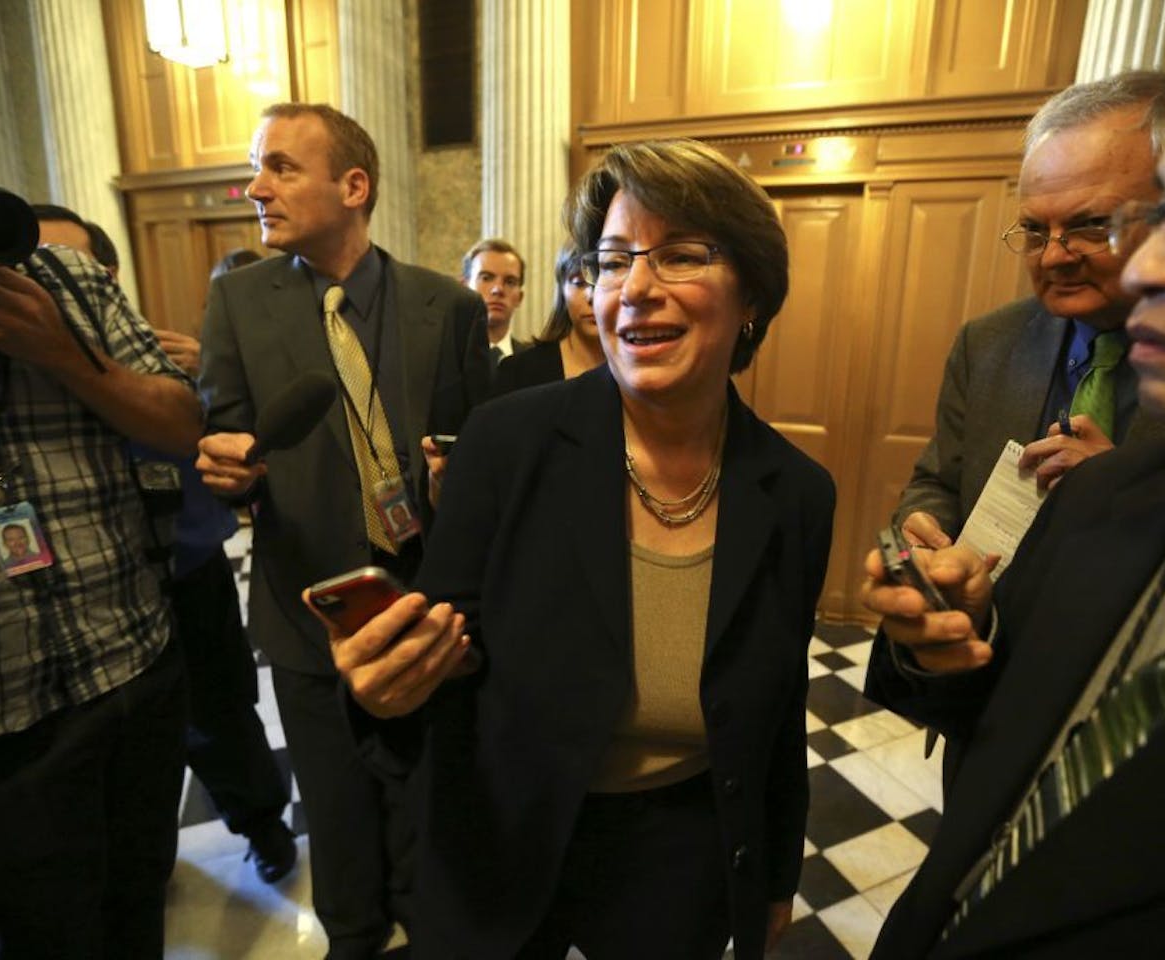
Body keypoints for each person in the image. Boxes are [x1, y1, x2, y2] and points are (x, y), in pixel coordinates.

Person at [862, 1, 1165, 953]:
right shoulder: (996, 350)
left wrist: (1134, 481)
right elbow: (935, 488)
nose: (1145, 263)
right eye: (1034, 228)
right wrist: (946, 599)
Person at [324, 138, 836, 959]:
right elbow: (449, 660)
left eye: (679, 256)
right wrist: (391, 691)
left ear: (752, 297)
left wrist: (774, 875)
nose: (634, 289)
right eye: (613, 260)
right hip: (506, 835)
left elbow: (772, 714)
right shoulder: (508, 440)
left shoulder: (798, 494)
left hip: (679, 849)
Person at [0, 79, 200, 956]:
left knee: (138, 907)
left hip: (134, 658)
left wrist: (65, 356)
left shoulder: (57, 273)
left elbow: (181, 422)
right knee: (45, 936)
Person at [195, 102, 490, 956]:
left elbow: (477, 463)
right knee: (341, 825)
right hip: (308, 619)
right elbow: (222, 445)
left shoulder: (447, 307)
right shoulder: (238, 302)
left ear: (353, 186)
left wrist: (458, 483)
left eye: (281, 167)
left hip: (429, 610)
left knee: (432, 815)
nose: (256, 188)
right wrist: (226, 470)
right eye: (257, 168)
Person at [31, 213, 299, 884]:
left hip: (183, 568)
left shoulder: (163, 357)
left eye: (63, 266)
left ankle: (263, 825)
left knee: (220, 715)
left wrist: (201, 387)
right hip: (77, 588)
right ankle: (135, 862)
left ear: (106, 277)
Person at [895, 70, 1165, 549]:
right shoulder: (988, 343)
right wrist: (922, 538)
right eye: (1035, 230)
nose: (1054, 256)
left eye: (1093, 224)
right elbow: (938, 485)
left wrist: (1120, 493)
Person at [490, 241, 605, 397]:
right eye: (579, 283)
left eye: (603, 282)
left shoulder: (640, 369)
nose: (592, 296)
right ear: (562, 291)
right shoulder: (519, 371)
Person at [460, 237, 528, 370]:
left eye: (510, 281)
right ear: (464, 288)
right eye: (486, 278)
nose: (498, 289)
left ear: (520, 297)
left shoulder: (532, 362)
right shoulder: (446, 358)